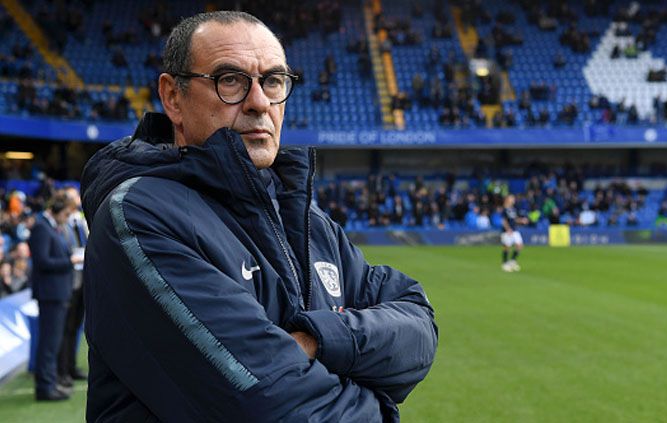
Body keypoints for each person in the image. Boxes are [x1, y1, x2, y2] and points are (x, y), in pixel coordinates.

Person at [80, 11, 437, 422]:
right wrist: (379, 404)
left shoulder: (309, 223)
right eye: (229, 80)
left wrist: (319, 340)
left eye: (273, 81)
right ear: (173, 97)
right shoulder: (140, 217)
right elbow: (271, 408)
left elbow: (419, 324)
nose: (259, 102)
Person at [29, 191, 81, 401]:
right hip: (50, 294)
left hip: (57, 292)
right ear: (58, 210)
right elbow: (42, 261)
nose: (67, 219)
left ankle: (50, 383)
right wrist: (70, 262)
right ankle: (45, 387)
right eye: (66, 214)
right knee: (49, 343)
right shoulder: (42, 227)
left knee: (53, 341)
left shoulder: (50, 227)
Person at [56, 186, 88, 388]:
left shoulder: (81, 221)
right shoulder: (61, 225)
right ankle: (63, 370)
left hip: (82, 280)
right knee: (65, 329)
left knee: (75, 327)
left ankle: (71, 366)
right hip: (68, 281)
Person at [500, 194, 527, 272]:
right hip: (507, 231)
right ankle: (504, 263)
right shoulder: (504, 209)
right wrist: (508, 229)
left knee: (519, 245)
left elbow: (514, 219)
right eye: (512, 198)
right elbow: (504, 220)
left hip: (514, 230)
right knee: (507, 246)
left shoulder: (513, 209)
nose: (513, 200)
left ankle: (512, 261)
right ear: (508, 200)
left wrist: (521, 220)